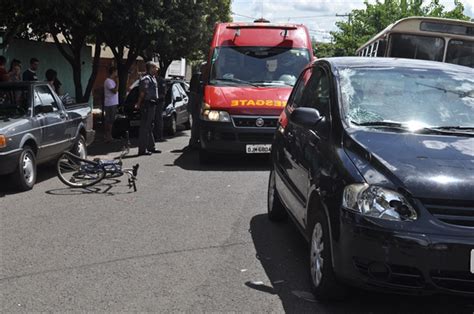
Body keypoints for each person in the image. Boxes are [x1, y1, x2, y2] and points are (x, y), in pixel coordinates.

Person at [134, 61, 160, 156]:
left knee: (149, 127)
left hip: (152, 105)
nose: (157, 69)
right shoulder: (146, 79)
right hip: (147, 105)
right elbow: (142, 93)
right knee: (145, 127)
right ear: (151, 68)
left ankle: (151, 147)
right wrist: (138, 103)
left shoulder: (152, 78)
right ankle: (142, 150)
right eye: (155, 67)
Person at [103, 66, 119, 142]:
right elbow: (115, 91)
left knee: (111, 120)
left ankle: (109, 136)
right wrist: (118, 83)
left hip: (113, 102)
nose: (116, 73)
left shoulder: (112, 81)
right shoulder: (108, 81)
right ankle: (108, 136)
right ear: (113, 72)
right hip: (110, 103)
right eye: (116, 72)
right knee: (109, 120)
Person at [153, 66, 167, 142]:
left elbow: (164, 92)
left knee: (158, 119)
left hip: (159, 102)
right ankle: (153, 136)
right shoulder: (151, 79)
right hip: (152, 102)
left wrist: (157, 97)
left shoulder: (161, 80)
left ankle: (159, 135)